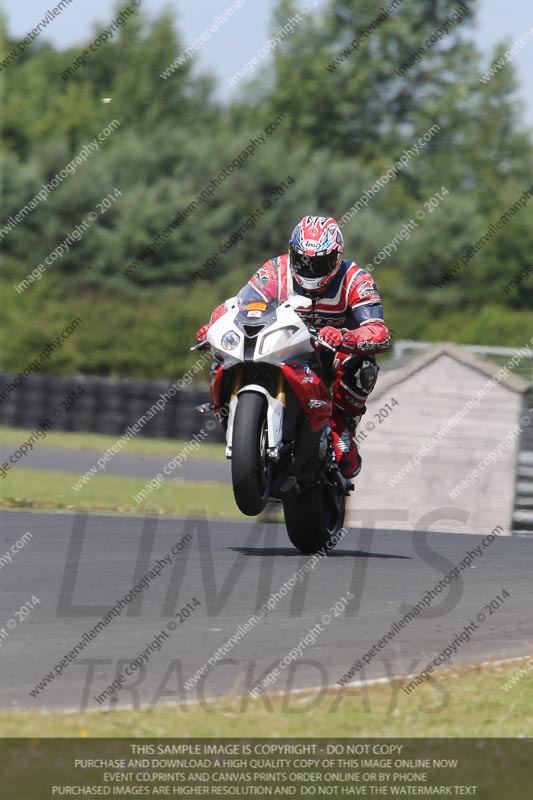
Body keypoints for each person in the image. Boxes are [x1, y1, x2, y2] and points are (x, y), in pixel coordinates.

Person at [196, 215, 390, 478]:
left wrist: (346, 337)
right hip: (281, 344)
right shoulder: (275, 269)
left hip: (328, 353)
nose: (310, 268)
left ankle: (341, 430)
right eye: (303, 260)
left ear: (336, 257)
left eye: (319, 262)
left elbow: (378, 332)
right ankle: (228, 409)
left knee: (363, 367)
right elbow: (238, 305)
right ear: (292, 251)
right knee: (223, 350)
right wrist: (214, 327)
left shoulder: (356, 279)